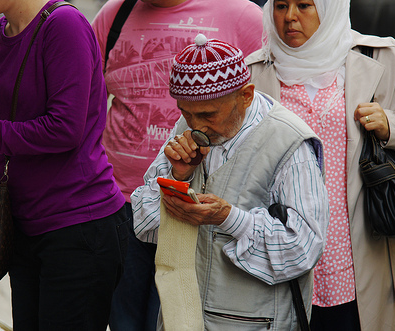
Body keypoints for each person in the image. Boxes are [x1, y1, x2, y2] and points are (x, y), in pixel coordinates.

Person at [0, 0, 129, 330]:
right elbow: (15, 127)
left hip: (77, 223)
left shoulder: (64, 25)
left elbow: (65, 129)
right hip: (24, 222)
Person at [131, 34, 329, 330]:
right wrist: (177, 176)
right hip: (185, 317)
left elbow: (303, 249)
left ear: (246, 95)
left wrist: (229, 218)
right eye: (186, 112)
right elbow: (142, 224)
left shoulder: (289, 143)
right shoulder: (187, 127)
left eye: (208, 114)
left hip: (258, 322)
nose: (196, 126)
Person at [91, 1, 264, 330]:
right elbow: (85, 98)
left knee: (177, 317)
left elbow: (262, 110)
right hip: (118, 202)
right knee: (122, 319)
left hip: (197, 212)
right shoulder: (115, 14)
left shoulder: (242, 16)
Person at [245, 0, 395, 329]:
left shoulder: (382, 59)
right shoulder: (253, 74)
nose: (290, 17)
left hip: (359, 258)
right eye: (280, 6)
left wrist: (392, 126)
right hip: (283, 259)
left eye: (304, 5)